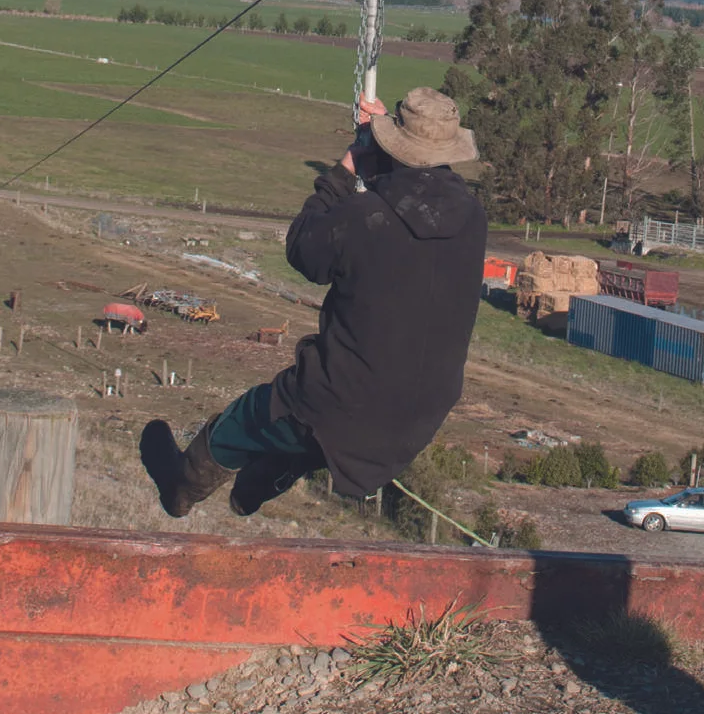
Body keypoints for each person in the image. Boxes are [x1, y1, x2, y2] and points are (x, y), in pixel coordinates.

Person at [139, 86, 486, 518]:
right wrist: (386, 149)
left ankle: (183, 485)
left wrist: (347, 167)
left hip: (339, 402)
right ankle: (264, 480)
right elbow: (419, 198)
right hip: (423, 414)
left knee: (252, 417)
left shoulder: (364, 217)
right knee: (316, 436)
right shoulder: (473, 219)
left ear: (397, 147)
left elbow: (303, 246)